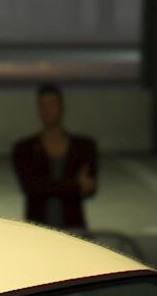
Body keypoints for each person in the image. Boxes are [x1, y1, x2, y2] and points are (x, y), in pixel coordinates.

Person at [11, 83, 97, 229]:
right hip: (38, 231)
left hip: (74, 229)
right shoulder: (24, 149)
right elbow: (31, 187)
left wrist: (48, 186)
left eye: (52, 104)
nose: (47, 110)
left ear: (61, 106)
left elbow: (90, 188)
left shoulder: (83, 147)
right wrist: (75, 185)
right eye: (42, 105)